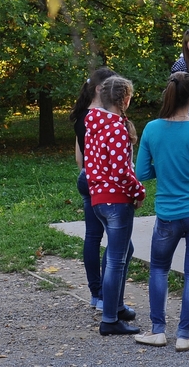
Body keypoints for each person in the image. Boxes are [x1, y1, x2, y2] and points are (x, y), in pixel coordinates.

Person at [134, 72, 189, 352]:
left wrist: (167, 167)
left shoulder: (151, 129)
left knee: (158, 268)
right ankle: (184, 335)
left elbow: (142, 172)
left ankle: (158, 331)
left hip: (168, 214)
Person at [85, 75, 145, 336]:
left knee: (122, 250)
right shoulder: (117, 128)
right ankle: (110, 319)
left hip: (98, 198)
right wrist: (138, 191)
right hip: (117, 199)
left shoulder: (94, 124)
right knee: (117, 259)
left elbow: (92, 163)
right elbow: (121, 171)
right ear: (125, 99)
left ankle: (116, 306)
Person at [69, 67, 118, 311]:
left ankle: (96, 293)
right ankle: (110, 294)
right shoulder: (105, 117)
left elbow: (79, 158)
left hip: (86, 177)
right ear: (101, 89)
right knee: (117, 240)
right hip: (105, 182)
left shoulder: (81, 116)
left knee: (92, 236)